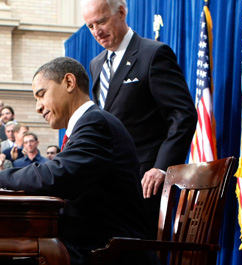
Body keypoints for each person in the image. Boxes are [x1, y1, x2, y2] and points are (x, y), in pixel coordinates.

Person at [0, 57, 155, 265]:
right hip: (86, 248)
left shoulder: (96, 123)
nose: (38, 108)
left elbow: (55, 176)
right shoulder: (88, 125)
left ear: (69, 82)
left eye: (41, 95)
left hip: (109, 254)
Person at [82, 0, 197, 238]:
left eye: (101, 21)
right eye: (90, 26)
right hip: (105, 188)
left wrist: (161, 167)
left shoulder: (153, 54)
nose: (96, 32)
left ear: (121, 12)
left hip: (144, 187)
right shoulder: (96, 65)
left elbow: (182, 115)